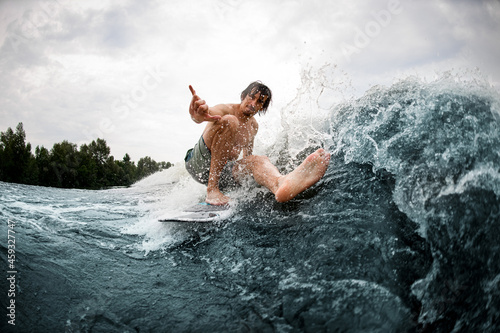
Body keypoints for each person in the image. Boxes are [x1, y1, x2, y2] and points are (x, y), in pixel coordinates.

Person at [185, 81, 331, 206]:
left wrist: (252, 182)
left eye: (260, 102)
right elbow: (205, 114)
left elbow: (246, 161)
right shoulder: (225, 109)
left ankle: (279, 184)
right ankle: (212, 190)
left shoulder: (253, 127)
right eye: (251, 97)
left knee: (257, 160)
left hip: (221, 171)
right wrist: (197, 114)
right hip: (198, 164)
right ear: (243, 96)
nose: (253, 104)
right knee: (230, 121)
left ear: (262, 107)